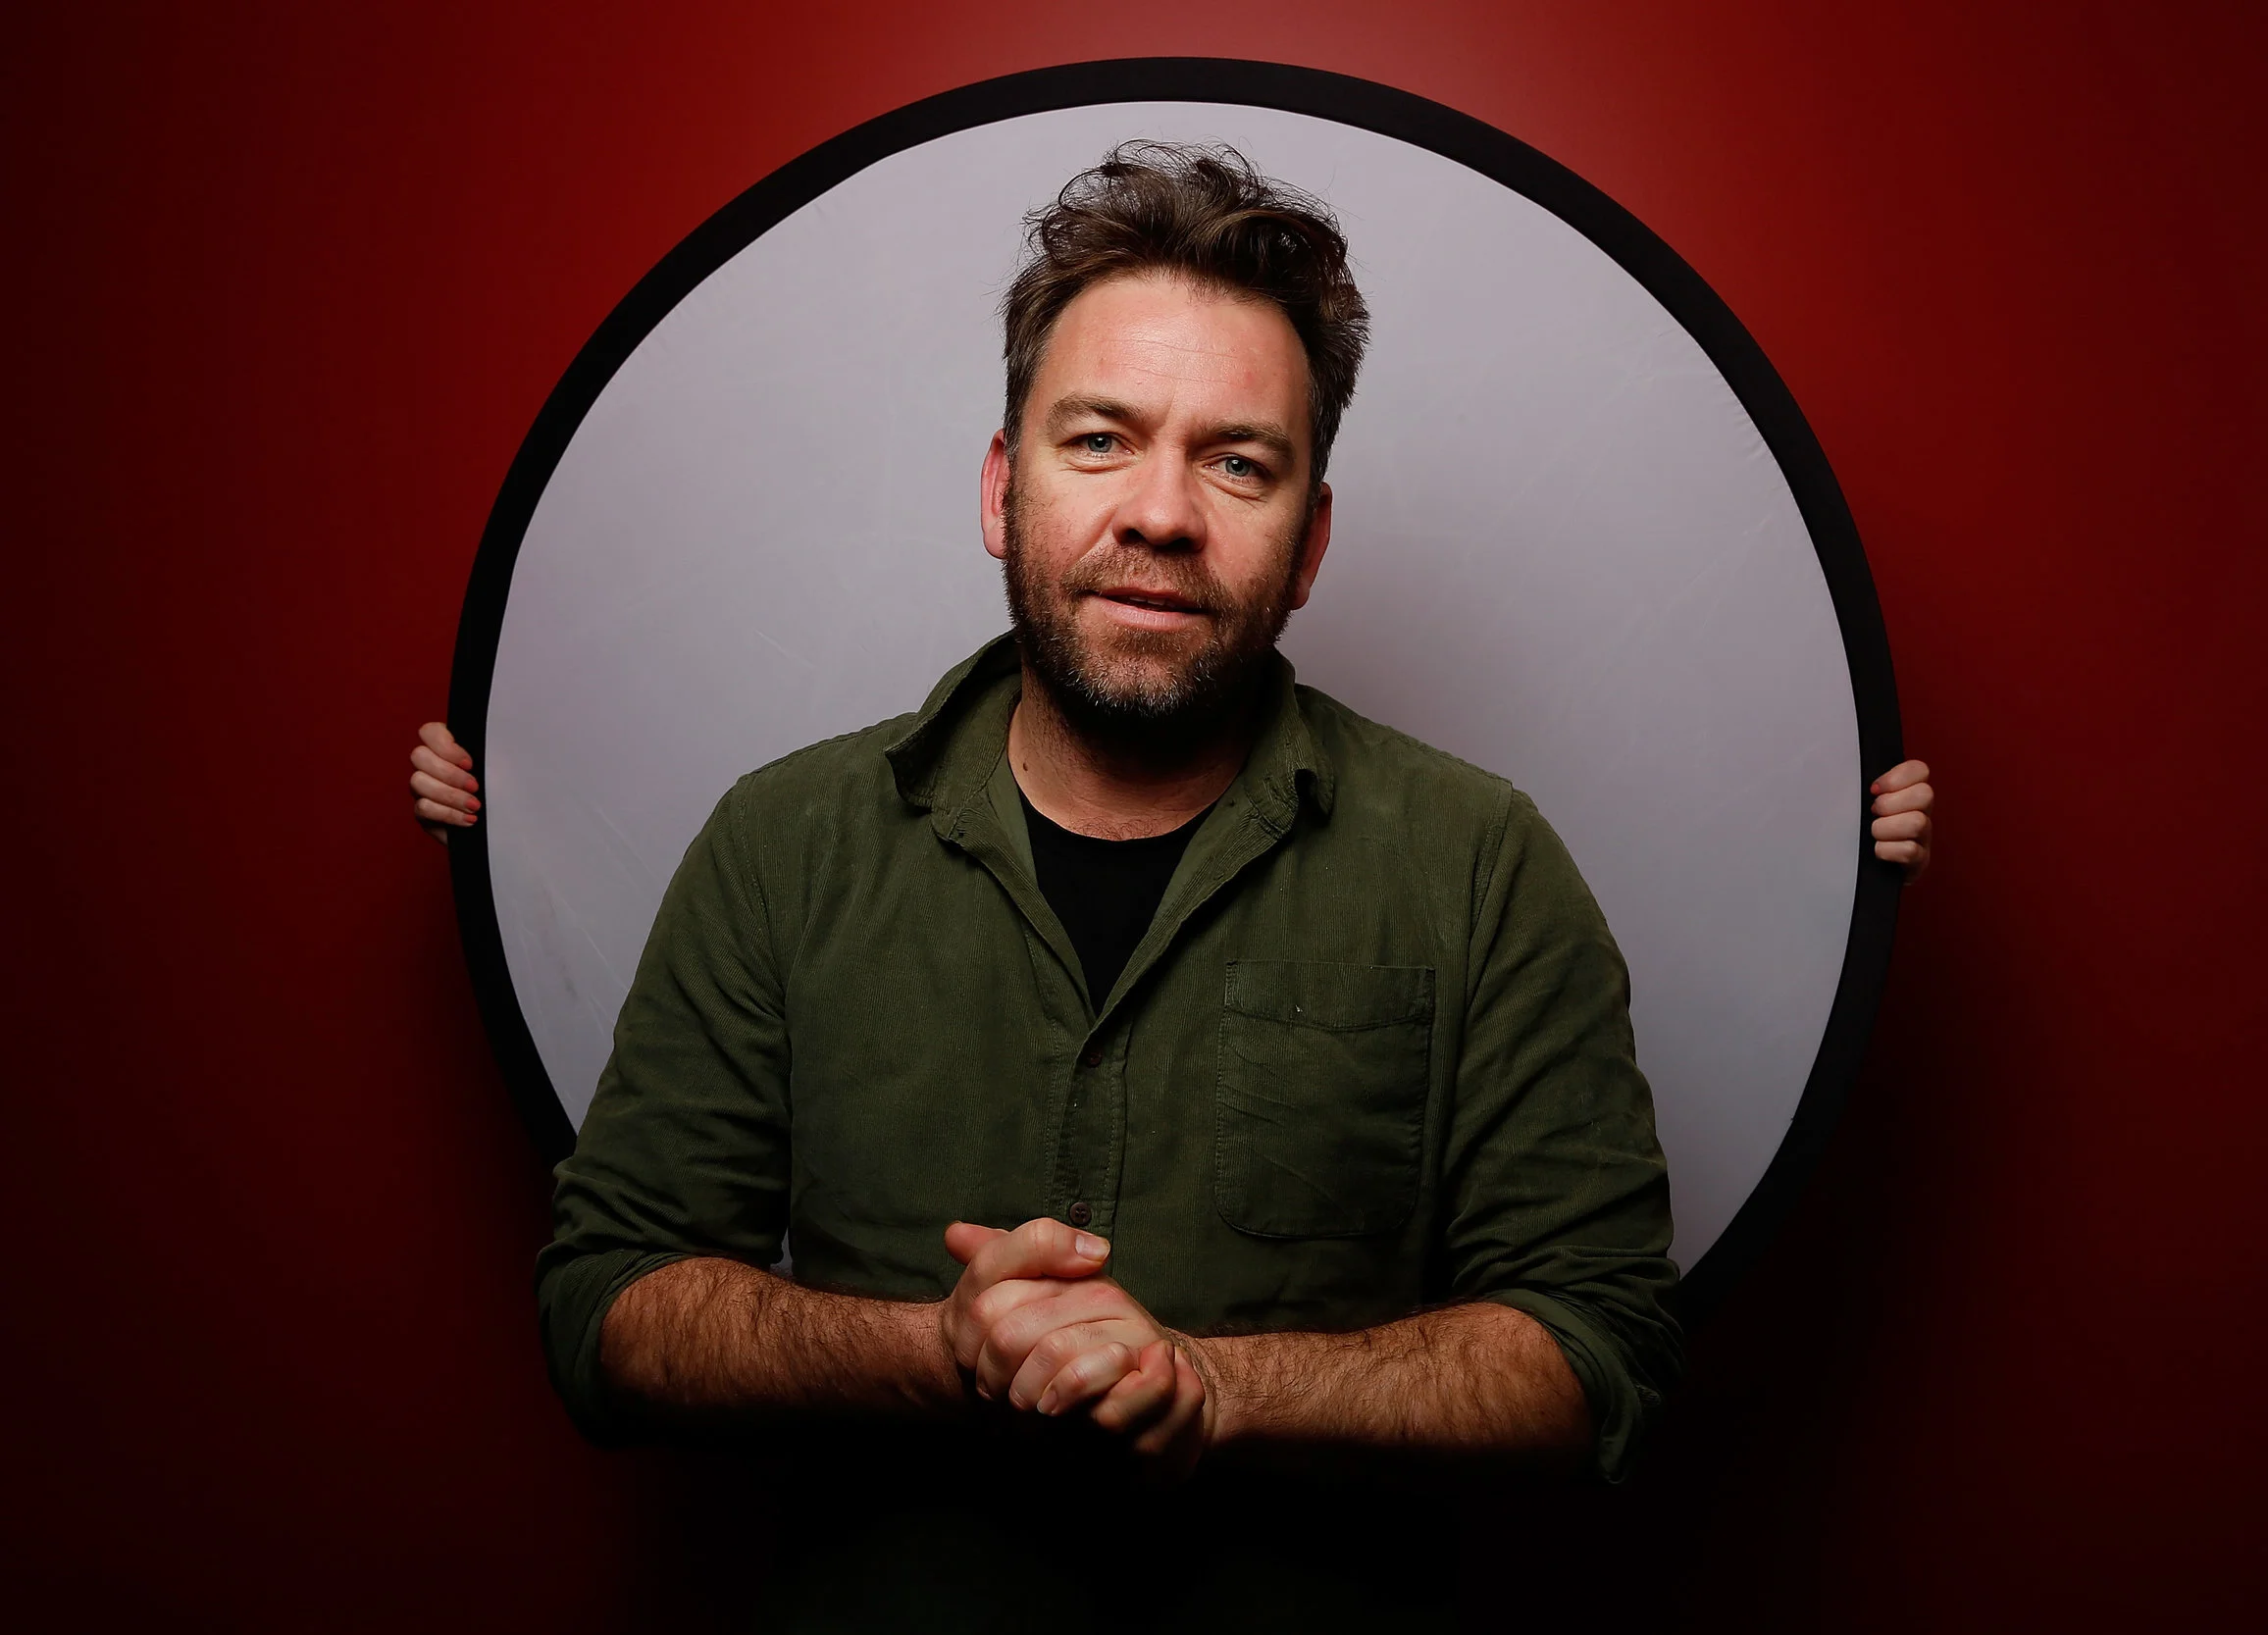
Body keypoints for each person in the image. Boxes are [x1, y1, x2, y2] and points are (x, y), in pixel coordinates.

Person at [406, 145, 1937, 1630]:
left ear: (1309, 541)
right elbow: (605, 1308)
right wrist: (937, 1351)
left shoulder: (1481, 863)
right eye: (1100, 439)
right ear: (1002, 490)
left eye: (1237, 460)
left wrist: (1216, 1385)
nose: (1160, 512)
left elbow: (1601, 1349)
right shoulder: (783, 841)